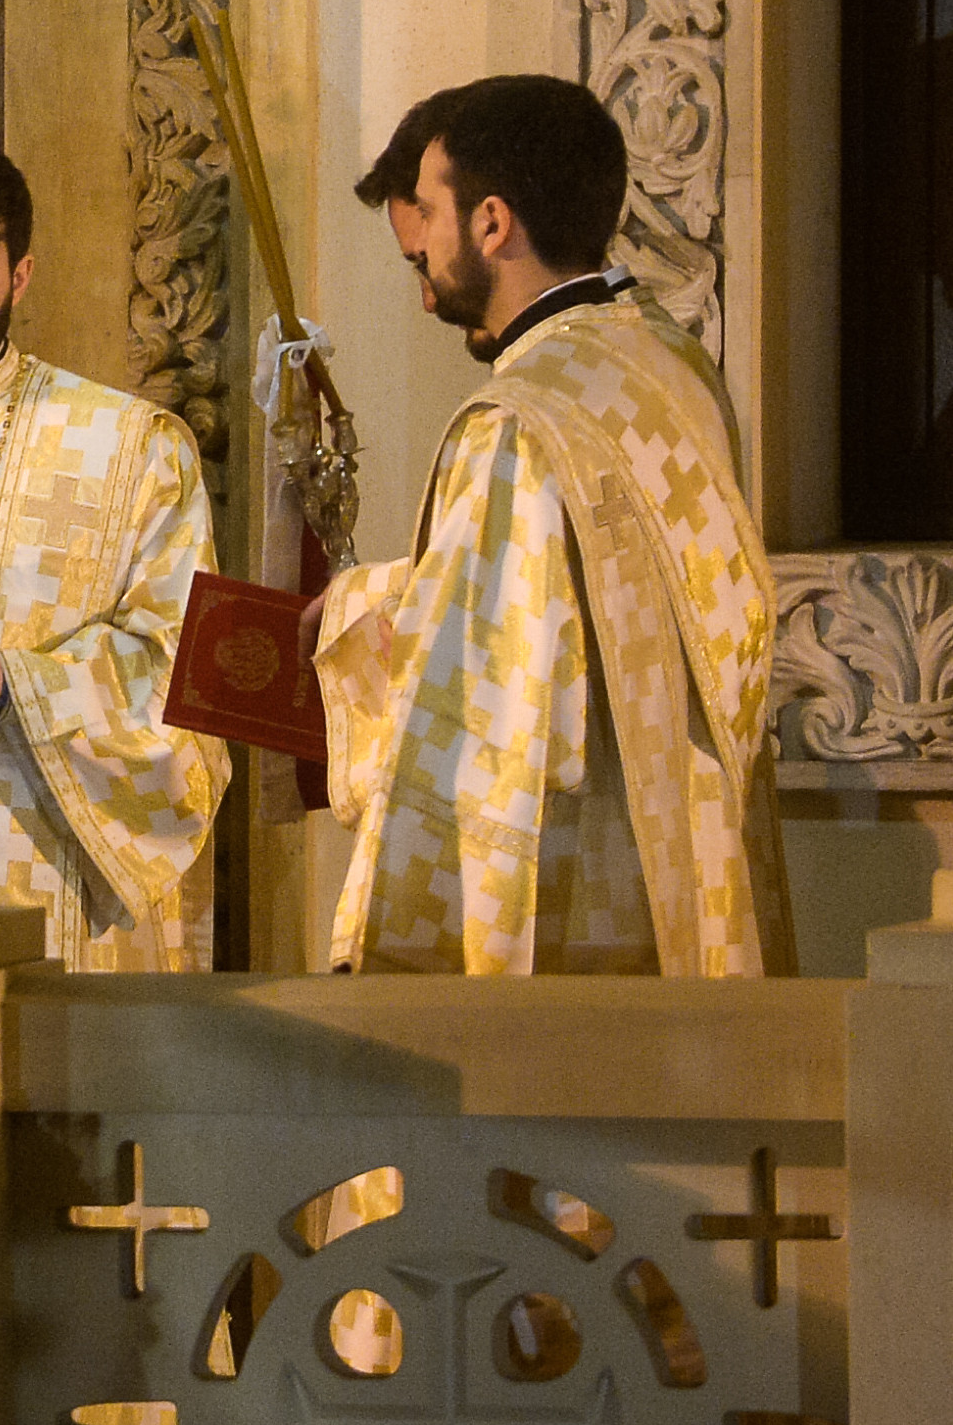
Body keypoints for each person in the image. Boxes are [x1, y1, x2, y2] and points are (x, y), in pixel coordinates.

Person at [312, 75, 793, 974]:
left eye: (427, 252)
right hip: (688, 845)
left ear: (492, 223)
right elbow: (594, 598)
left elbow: (489, 702)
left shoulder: (517, 425)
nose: (423, 297)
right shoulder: (663, 359)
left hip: (595, 881)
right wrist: (390, 590)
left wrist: (347, 617)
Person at [0, 134, 228, 968]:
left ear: (18, 276)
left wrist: (11, 690)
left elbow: (190, 697)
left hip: (43, 886)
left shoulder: (132, 448)